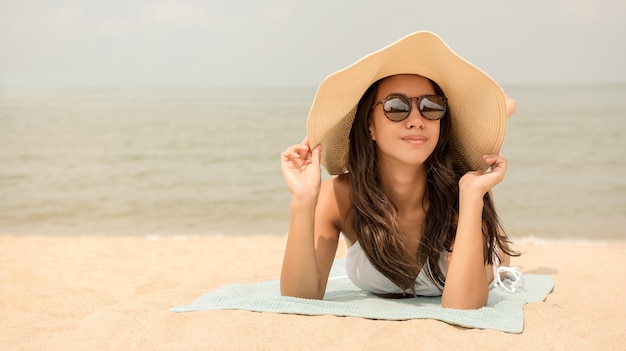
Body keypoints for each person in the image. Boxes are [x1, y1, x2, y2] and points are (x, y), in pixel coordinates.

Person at [279, 31, 520, 309]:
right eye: (396, 107)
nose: (417, 120)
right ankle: (501, 108)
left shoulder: (463, 192)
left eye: (431, 107)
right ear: (369, 125)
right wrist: (302, 200)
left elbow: (463, 307)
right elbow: (300, 298)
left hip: (486, 247)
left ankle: (502, 109)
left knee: (497, 253)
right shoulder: (338, 196)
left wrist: (471, 195)